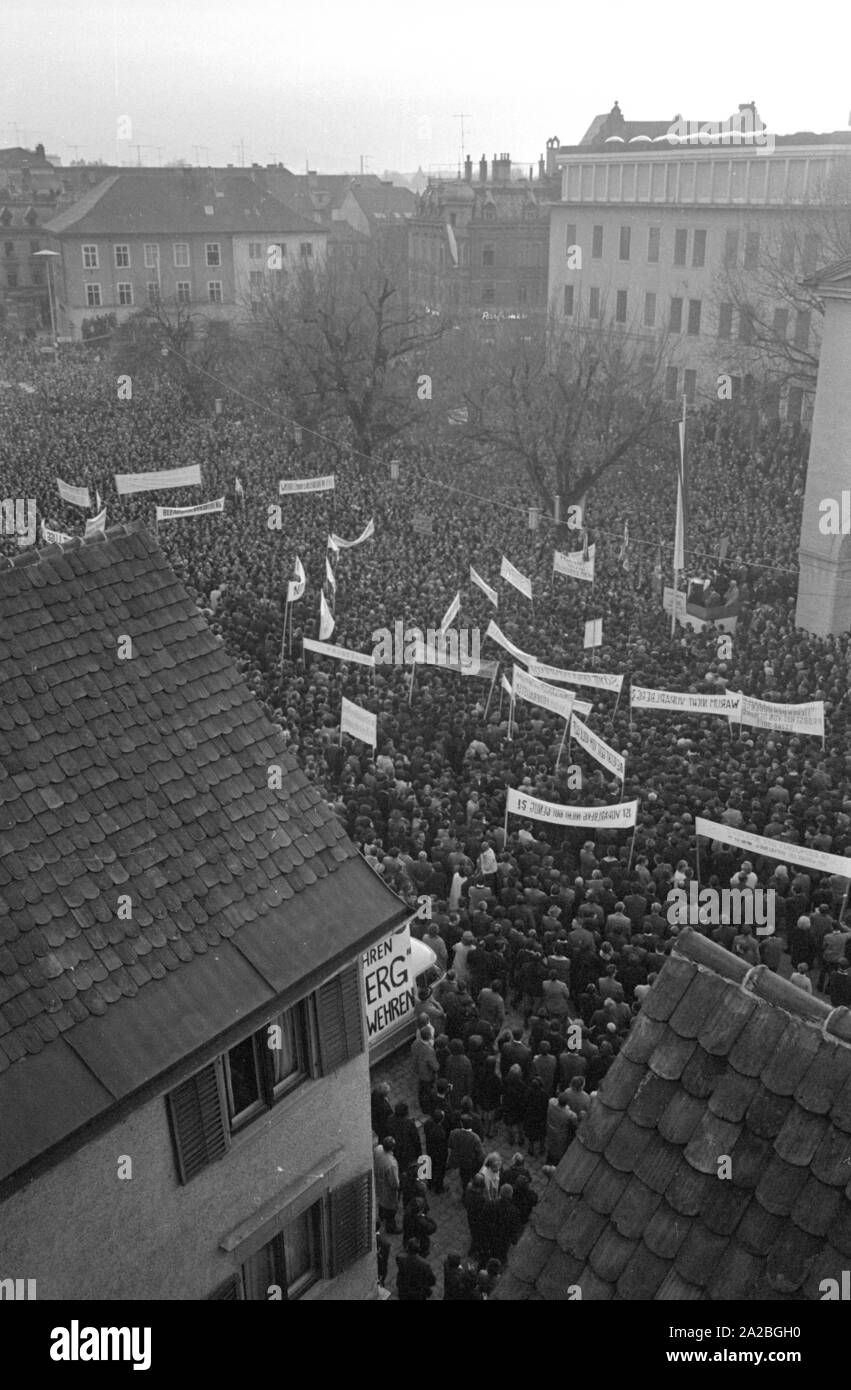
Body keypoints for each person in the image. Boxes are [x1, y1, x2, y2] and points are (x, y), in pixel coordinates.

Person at [447, 1114, 485, 1195]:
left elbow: (450, 1145)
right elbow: (480, 1154)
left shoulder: (453, 1133)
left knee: (464, 1178)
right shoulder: (475, 1138)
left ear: (461, 1123)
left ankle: (465, 1192)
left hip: (459, 1161)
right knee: (473, 1177)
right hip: (470, 1162)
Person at [373, 1137, 400, 1234]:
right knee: (390, 1208)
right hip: (388, 1189)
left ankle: (381, 1215)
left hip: (378, 1181)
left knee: (380, 1199)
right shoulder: (391, 1163)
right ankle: (390, 1227)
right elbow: (394, 1183)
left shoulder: (378, 1149)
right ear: (392, 1148)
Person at [422, 1107, 449, 1194]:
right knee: (439, 1171)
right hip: (438, 1154)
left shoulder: (427, 1123)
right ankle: (438, 1188)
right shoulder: (440, 1132)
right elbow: (442, 1147)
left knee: (430, 1167)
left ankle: (430, 1184)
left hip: (430, 1149)